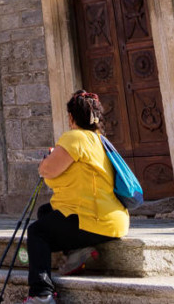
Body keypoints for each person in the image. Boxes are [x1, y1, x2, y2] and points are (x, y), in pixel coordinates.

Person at [21, 91, 130, 304]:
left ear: (72, 117)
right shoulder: (100, 140)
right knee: (46, 212)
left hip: (94, 220)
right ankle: (78, 252)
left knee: (36, 232)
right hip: (115, 220)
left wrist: (45, 161)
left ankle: (41, 293)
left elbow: (48, 171)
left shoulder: (74, 137)